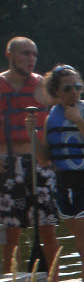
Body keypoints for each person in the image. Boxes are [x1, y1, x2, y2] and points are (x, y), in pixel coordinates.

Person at [38, 64, 84, 281]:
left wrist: (78, 120)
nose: (74, 92)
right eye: (68, 88)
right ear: (56, 92)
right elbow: (44, 158)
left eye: (78, 87)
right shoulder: (52, 117)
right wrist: (33, 135)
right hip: (64, 187)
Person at [0, 37, 59, 277]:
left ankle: (54, 277)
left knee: (47, 230)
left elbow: (59, 116)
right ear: (10, 55)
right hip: (7, 163)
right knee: (11, 232)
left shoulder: (42, 87)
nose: (31, 59)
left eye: (34, 54)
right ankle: (9, 276)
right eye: (25, 54)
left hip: (39, 163)